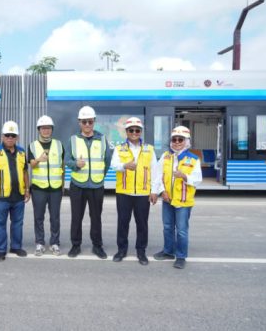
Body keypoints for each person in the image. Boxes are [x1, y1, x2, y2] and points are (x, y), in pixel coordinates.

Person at [65, 106, 112, 259]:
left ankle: (97, 246)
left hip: (96, 186)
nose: (87, 125)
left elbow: (107, 160)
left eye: (90, 122)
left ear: (94, 122)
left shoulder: (102, 139)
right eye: (84, 122)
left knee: (96, 217)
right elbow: (66, 160)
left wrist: (99, 177)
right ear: (79, 122)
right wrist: (75, 165)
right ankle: (75, 245)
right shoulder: (73, 140)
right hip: (78, 184)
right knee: (76, 217)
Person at [110, 117, 159, 265]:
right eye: (131, 130)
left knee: (142, 224)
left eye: (137, 130)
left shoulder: (149, 149)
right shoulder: (119, 148)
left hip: (143, 193)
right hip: (124, 192)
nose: (134, 132)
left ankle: (141, 251)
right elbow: (114, 165)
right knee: (123, 223)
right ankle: (121, 250)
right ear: (126, 132)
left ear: (140, 131)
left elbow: (155, 171)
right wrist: (125, 165)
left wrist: (154, 191)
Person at [153, 126, 202, 269]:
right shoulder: (166, 156)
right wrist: (161, 192)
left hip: (184, 201)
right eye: (174, 139)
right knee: (167, 227)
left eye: (180, 139)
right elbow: (158, 176)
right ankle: (168, 251)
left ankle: (181, 256)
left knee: (181, 230)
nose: (176, 142)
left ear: (186, 141)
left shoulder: (193, 159)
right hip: (168, 199)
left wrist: (184, 176)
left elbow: (198, 179)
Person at [0, 121, 30, 262]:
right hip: (1, 196)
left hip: (18, 196)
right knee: (0, 224)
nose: (10, 138)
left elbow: (24, 172)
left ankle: (15, 247)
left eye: (13, 135)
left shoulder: (22, 152)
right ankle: (1, 250)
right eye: (7, 135)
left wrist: (27, 189)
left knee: (18, 223)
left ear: (17, 137)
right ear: (2, 136)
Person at [28, 115, 64, 256]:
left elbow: (62, 164)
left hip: (55, 188)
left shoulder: (59, 145)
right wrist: (39, 159)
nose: (46, 131)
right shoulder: (33, 145)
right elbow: (31, 164)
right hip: (39, 188)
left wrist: (62, 183)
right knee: (39, 217)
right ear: (39, 130)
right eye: (43, 128)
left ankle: (54, 243)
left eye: (48, 128)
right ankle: (40, 243)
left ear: (52, 130)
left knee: (55, 217)